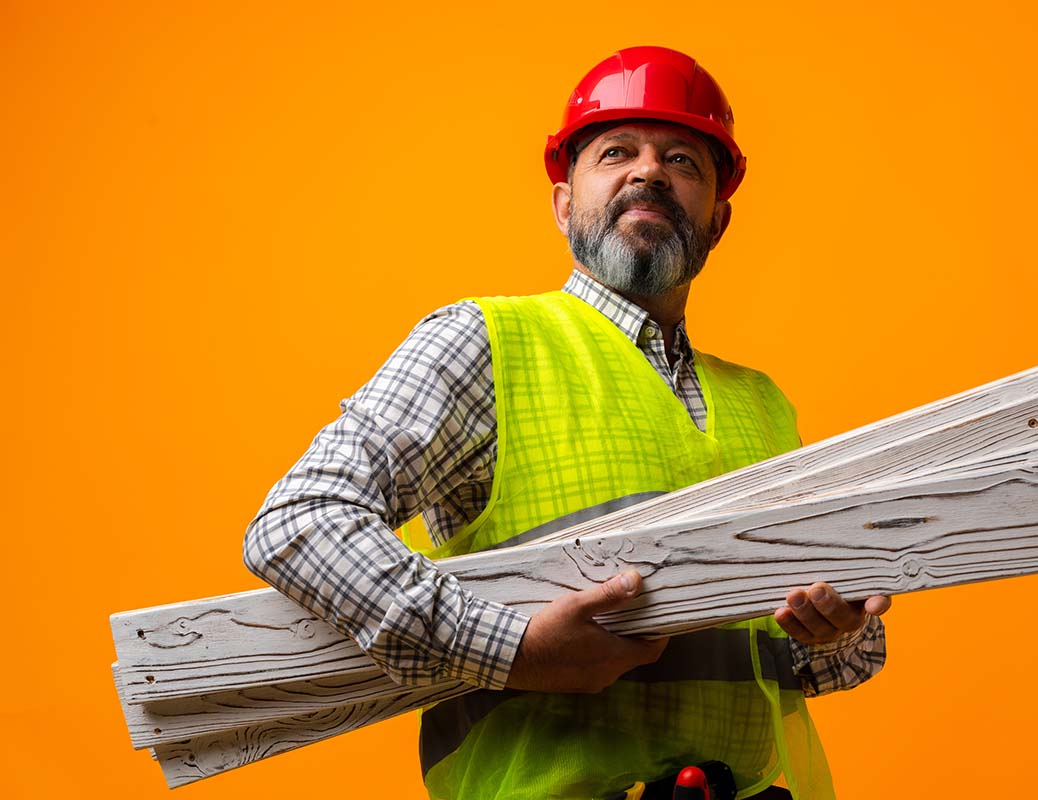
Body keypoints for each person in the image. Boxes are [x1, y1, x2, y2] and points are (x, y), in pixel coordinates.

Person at [244, 45, 890, 800]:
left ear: (718, 219)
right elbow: (297, 523)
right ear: (563, 205)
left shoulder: (763, 403)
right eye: (616, 152)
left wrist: (837, 632)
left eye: (682, 159)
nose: (648, 171)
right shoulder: (483, 343)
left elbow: (822, 667)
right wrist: (511, 650)